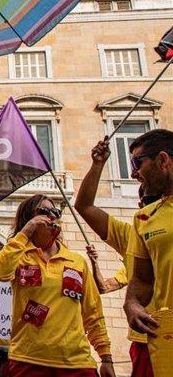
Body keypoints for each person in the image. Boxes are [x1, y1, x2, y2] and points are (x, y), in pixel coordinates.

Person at [0, 194, 115, 377]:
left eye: (55, 211)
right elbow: (0, 272)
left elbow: (93, 312)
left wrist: (106, 357)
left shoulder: (77, 261)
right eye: (43, 211)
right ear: (29, 218)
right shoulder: (20, 257)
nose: (51, 216)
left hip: (77, 363)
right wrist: (25, 232)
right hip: (28, 361)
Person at [74, 137, 156, 375]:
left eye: (147, 197)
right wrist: (98, 165)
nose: (142, 201)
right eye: (141, 199)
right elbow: (85, 206)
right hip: (146, 339)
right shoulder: (133, 232)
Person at [124, 129, 173, 371]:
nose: (133, 172)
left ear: (162, 160)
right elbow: (142, 279)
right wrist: (132, 304)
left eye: (137, 163)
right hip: (166, 339)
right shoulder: (144, 218)